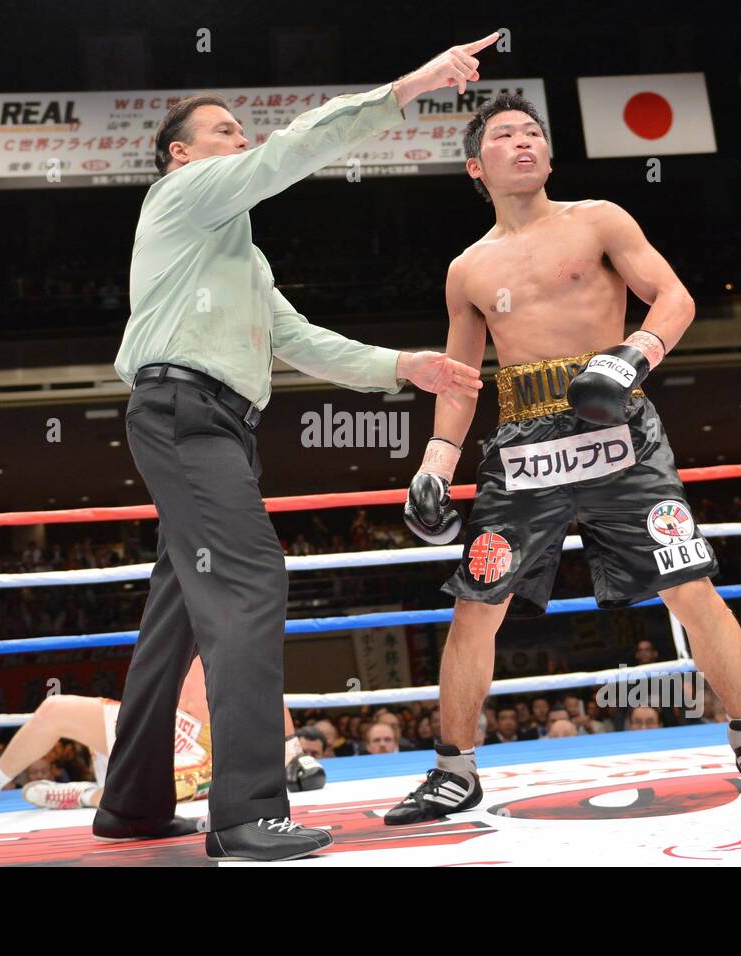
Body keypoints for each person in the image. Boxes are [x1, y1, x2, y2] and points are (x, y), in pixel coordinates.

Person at [99, 35, 493, 863]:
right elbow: (295, 149)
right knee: (251, 581)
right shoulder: (184, 195)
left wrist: (403, 366)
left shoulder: (239, 251)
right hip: (184, 414)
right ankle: (245, 813)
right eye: (224, 131)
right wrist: (411, 84)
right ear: (182, 153)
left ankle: (133, 803)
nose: (239, 141)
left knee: (178, 611)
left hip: (215, 425)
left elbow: (299, 339)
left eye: (241, 132)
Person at [389, 93, 741, 826]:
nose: (523, 142)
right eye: (504, 135)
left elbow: (672, 297)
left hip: (620, 431)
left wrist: (632, 356)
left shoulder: (600, 219)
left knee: (689, 585)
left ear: (548, 154)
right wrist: (433, 465)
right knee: (476, 605)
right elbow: (459, 380)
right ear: (473, 166)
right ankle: (454, 770)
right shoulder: (468, 269)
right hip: (522, 444)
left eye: (532, 133)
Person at [0, 656, 323, 814]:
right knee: (55, 709)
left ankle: (83, 794)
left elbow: (268, 688)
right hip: (159, 721)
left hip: (204, 753)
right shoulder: (180, 598)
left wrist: (292, 755)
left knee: (150, 795)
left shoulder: (239, 616)